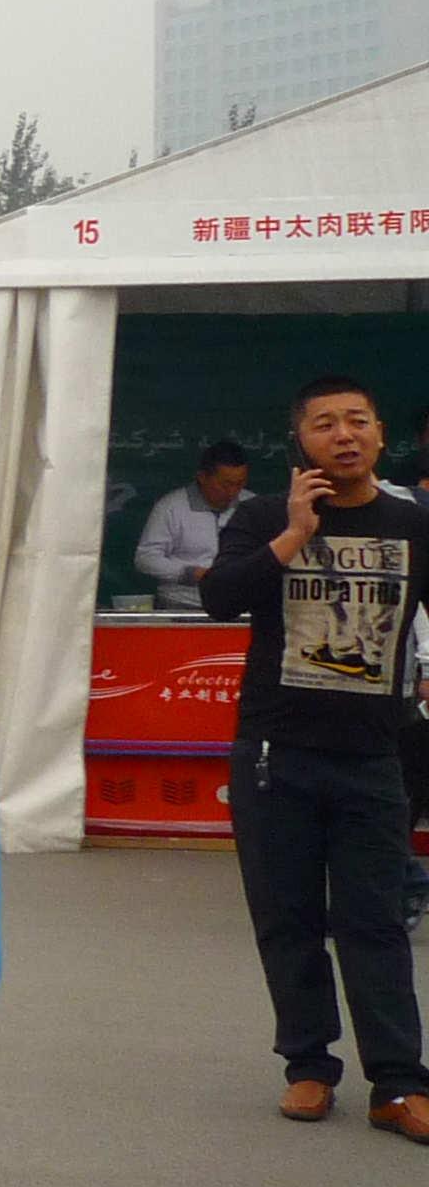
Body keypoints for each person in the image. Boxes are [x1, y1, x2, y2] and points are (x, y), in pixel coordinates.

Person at [201, 376, 427, 1138]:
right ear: (301, 441)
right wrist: (295, 533)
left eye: (358, 421)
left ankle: (398, 1084)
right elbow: (221, 598)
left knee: (375, 922)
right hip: (275, 754)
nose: (344, 435)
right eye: (325, 424)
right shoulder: (265, 517)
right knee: (288, 919)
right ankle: (307, 1067)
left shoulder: (411, 522)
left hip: (373, 757)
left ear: (381, 434)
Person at [133, 439, 249, 611]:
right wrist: (189, 573)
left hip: (240, 606)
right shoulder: (171, 507)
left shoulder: (252, 505)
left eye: (240, 483)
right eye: (225, 484)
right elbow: (146, 558)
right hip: (181, 605)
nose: (232, 491)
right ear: (202, 477)